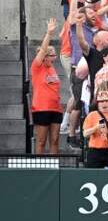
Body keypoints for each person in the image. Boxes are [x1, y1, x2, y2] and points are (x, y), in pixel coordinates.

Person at [31, 18, 62, 154]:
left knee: (54, 140)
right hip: (41, 108)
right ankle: (40, 168)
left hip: (56, 108)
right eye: (52, 55)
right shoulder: (37, 67)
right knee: (41, 140)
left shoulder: (52, 69)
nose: (54, 58)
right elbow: (43, 49)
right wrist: (49, 34)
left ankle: (53, 167)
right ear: (45, 56)